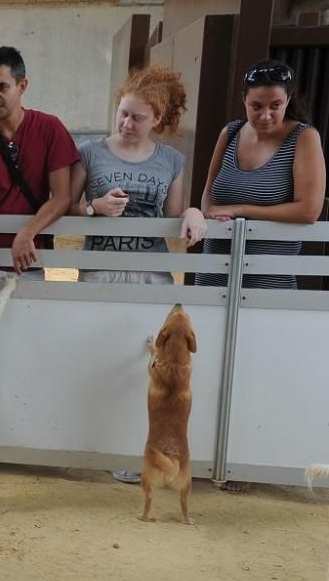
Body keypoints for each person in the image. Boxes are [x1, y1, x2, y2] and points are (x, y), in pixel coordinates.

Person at [68, 65, 207, 484]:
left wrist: (195, 212)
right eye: (123, 114)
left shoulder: (172, 160)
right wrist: (94, 208)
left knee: (147, 366)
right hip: (100, 270)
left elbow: (174, 216)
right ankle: (92, 444)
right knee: (98, 354)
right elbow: (67, 205)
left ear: (158, 121)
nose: (128, 124)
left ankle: (138, 451)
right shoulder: (90, 152)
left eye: (138, 117)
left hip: (151, 274)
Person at [196, 59, 325, 492]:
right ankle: (205, 454)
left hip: (269, 274)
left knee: (257, 369)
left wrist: (242, 213)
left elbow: (309, 209)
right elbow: (210, 191)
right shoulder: (229, 133)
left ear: (289, 102)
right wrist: (212, 212)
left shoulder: (304, 138)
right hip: (217, 268)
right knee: (208, 360)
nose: (266, 115)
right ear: (244, 103)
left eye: (275, 106)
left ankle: (248, 461)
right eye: (257, 106)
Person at [0, 46, 79, 286]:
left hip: (30, 257)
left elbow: (62, 197)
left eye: (2, 87)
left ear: (22, 86)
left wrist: (27, 232)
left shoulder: (50, 128)